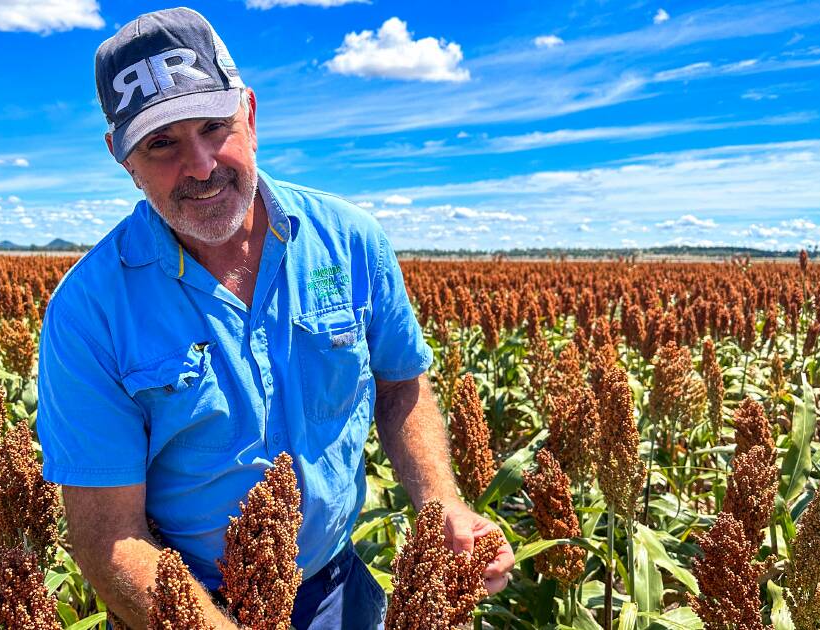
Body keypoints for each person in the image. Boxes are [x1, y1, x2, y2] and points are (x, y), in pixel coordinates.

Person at [35, 7, 514, 629]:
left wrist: (440, 502)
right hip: (188, 605)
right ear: (122, 158)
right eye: (162, 144)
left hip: (335, 586)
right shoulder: (89, 311)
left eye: (215, 126)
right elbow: (109, 537)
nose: (202, 164)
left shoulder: (350, 241)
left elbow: (400, 387)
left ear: (251, 116)